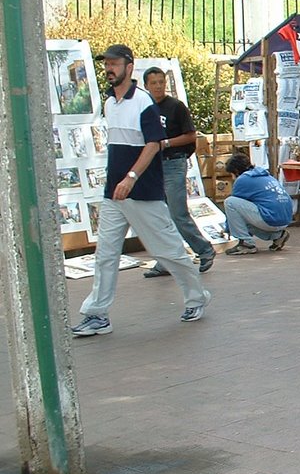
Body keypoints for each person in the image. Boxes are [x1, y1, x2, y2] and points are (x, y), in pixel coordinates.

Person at [72, 44, 210, 337]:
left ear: (129, 66)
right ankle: (97, 314)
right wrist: (116, 182)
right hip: (114, 193)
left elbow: (152, 144)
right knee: (105, 254)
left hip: (141, 191)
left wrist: (131, 178)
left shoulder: (144, 103)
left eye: (114, 63)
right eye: (106, 63)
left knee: (168, 250)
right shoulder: (110, 102)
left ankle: (197, 297)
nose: (109, 68)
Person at [140, 67, 216, 279]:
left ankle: (204, 250)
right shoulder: (144, 107)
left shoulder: (176, 107)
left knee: (177, 212)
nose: (157, 86)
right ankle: (166, 260)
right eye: (153, 83)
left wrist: (166, 143)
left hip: (173, 162)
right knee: (158, 216)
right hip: (152, 166)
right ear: (146, 85)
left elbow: (191, 136)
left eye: (161, 82)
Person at [222, 154, 292, 254]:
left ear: (236, 171)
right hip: (284, 219)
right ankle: (278, 235)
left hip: (270, 218)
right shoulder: (266, 175)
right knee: (242, 219)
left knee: (230, 202)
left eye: (232, 174)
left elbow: (233, 209)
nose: (232, 178)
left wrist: (227, 230)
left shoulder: (242, 180)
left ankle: (246, 244)